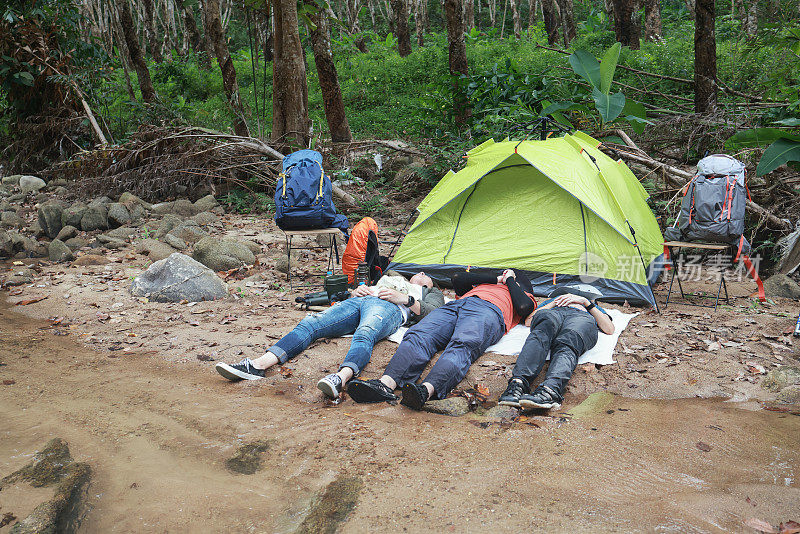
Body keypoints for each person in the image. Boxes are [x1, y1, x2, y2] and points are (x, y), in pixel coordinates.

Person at [214, 271, 444, 399]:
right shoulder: (392, 277)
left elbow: (434, 314)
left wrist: (404, 298)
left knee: (365, 333)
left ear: (430, 284)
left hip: (390, 308)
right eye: (418, 272)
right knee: (311, 323)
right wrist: (357, 290)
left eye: (426, 274)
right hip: (361, 300)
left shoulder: (430, 292)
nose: (421, 272)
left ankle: (340, 379)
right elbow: (354, 292)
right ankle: (257, 365)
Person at [347, 269, 536, 410]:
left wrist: (511, 281)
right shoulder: (482, 286)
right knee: (419, 334)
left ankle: (425, 391)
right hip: (456, 306)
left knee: (463, 344)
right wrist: (497, 278)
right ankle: (386, 384)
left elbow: (524, 306)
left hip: (489, 311)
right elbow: (458, 278)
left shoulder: (521, 296)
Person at [497, 289, 615, 411]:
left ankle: (551, 390)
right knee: (540, 335)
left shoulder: (592, 306)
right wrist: (555, 302)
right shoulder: (551, 302)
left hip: (580, 318)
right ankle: (518, 383)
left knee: (569, 341)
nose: (572, 296)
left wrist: (586, 303)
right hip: (554, 313)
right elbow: (529, 321)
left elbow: (609, 328)